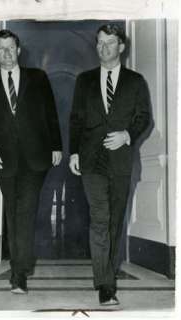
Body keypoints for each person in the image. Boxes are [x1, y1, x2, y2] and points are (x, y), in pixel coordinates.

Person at [0, 29, 62, 294]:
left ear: (19, 50)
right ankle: (19, 269)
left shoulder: (38, 77)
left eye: (11, 48)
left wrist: (57, 146)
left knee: (24, 212)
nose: (7, 53)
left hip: (36, 158)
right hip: (4, 160)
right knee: (13, 213)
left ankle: (18, 273)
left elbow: (51, 113)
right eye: (1, 49)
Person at [69, 23, 150, 306]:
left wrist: (127, 135)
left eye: (110, 42)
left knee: (115, 221)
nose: (103, 47)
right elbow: (76, 120)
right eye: (99, 42)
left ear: (122, 47)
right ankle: (105, 284)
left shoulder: (136, 81)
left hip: (121, 161)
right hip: (91, 160)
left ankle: (108, 273)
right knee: (100, 219)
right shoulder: (84, 80)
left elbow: (144, 118)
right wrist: (74, 153)